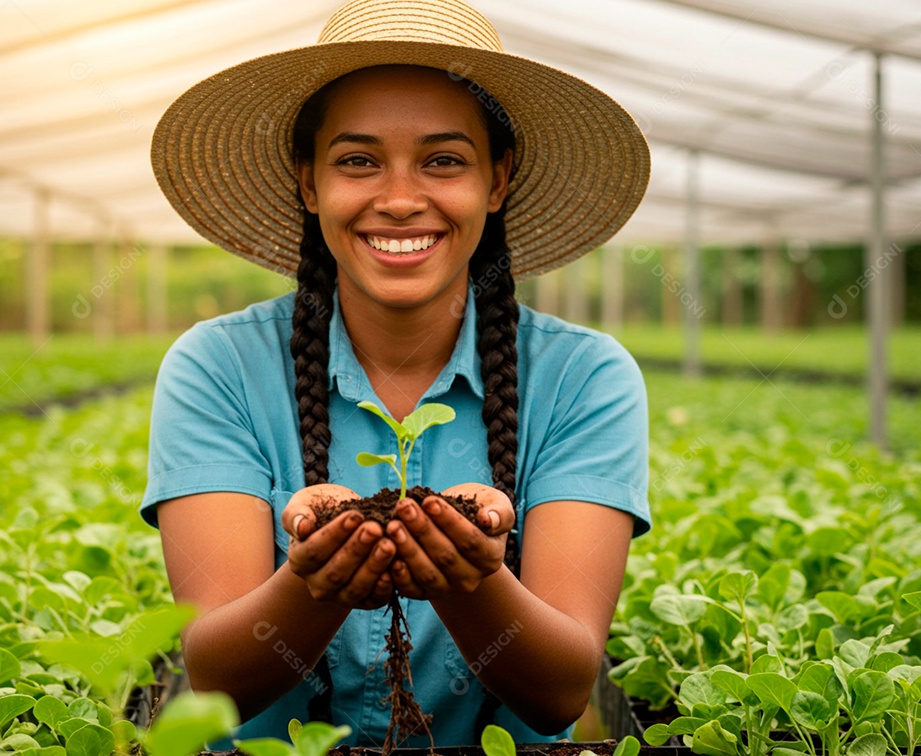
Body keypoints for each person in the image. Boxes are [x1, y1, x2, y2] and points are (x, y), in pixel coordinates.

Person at [141, 0, 651, 748]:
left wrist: (474, 580)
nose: (402, 199)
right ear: (309, 184)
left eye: (444, 160)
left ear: (498, 181)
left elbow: (562, 690)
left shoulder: (585, 377)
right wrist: (311, 586)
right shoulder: (217, 367)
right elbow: (214, 676)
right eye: (357, 160)